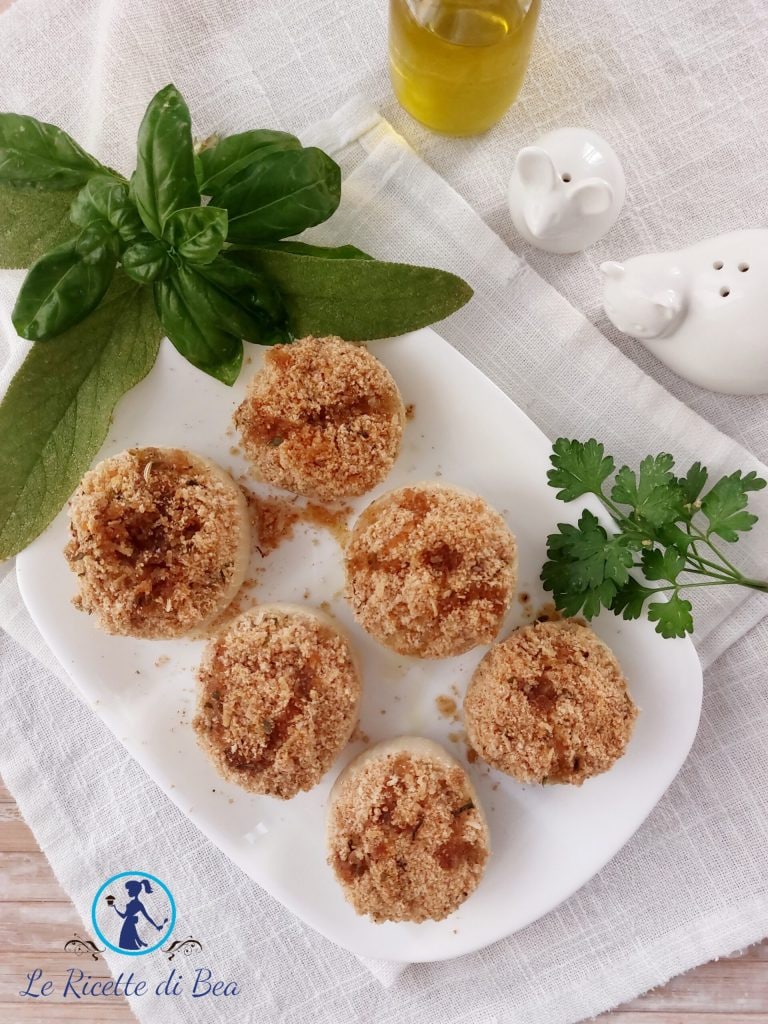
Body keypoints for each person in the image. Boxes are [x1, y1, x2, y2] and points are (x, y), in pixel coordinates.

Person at [109, 879, 166, 950]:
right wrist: (115, 908)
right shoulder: (134, 903)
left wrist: (155, 925)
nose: (128, 892)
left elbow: (147, 916)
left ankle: (140, 943)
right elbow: (124, 916)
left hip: (128, 923)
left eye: (129, 890)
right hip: (128, 923)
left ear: (134, 891)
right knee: (131, 939)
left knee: (128, 941)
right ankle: (140, 943)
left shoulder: (138, 904)